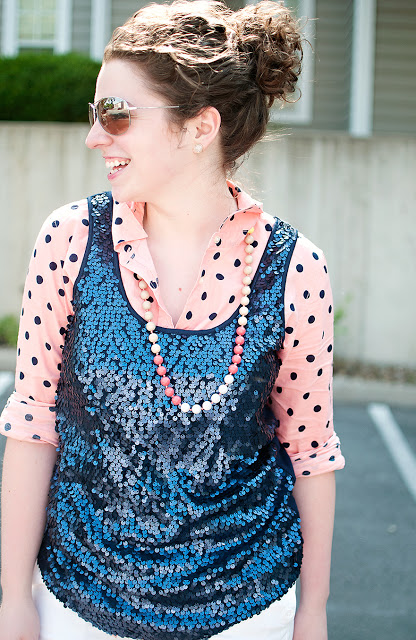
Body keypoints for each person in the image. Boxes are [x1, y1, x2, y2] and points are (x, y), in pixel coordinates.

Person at [0, 1, 345, 639]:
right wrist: (12, 595)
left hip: (248, 611)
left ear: (198, 128)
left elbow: (312, 451)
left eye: (117, 115)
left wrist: (312, 614)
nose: (94, 135)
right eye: (95, 113)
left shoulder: (295, 269)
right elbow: (32, 421)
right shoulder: (71, 241)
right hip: (77, 604)